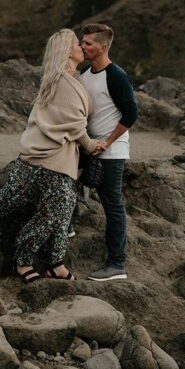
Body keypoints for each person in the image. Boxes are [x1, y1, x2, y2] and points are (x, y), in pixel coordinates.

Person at [0, 29, 107, 283]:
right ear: (65, 50)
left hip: (61, 160)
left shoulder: (72, 78)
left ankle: (56, 262)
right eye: (75, 43)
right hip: (47, 159)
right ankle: (23, 260)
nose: (81, 45)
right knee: (34, 211)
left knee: (62, 211)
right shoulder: (61, 80)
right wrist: (91, 146)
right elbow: (74, 124)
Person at [78, 23, 138, 282]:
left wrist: (108, 141)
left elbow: (131, 114)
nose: (83, 46)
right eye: (83, 42)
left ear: (103, 47)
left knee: (112, 206)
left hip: (111, 151)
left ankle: (117, 264)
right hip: (88, 146)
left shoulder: (116, 76)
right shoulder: (84, 73)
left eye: (88, 43)